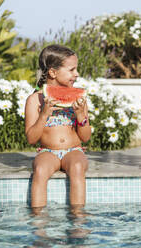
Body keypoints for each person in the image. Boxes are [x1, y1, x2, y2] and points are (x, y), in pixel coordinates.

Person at [25, 44, 91, 214]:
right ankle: (38, 220)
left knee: (77, 167)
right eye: (71, 70)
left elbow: (86, 137)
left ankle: (78, 218)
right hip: (48, 152)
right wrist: (44, 115)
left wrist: (80, 116)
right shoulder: (34, 100)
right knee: (39, 169)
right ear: (53, 72)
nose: (76, 74)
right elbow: (31, 139)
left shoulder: (79, 98)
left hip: (74, 150)